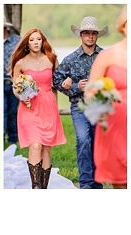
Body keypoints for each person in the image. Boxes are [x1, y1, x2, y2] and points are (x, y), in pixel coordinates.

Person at [52, 16, 108, 189]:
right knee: (83, 140)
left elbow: (115, 77)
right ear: (81, 35)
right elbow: (56, 80)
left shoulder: (105, 56)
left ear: (97, 36)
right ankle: (85, 183)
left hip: (100, 106)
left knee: (98, 144)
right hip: (79, 106)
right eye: (86, 33)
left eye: (93, 33)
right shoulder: (71, 58)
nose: (90, 36)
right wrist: (76, 87)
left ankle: (97, 184)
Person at [10, 27, 67, 189]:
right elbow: (16, 87)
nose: (36, 42)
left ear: (43, 41)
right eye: (32, 40)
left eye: (38, 39)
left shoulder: (51, 59)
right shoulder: (20, 63)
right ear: (27, 43)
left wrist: (67, 81)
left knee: (46, 150)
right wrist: (22, 95)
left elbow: (60, 78)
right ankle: (35, 187)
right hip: (29, 107)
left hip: (48, 106)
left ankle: (43, 188)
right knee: (35, 145)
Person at [87, 5, 127, 189]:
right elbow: (91, 91)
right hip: (117, 125)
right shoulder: (107, 56)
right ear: (124, 26)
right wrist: (99, 110)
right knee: (121, 181)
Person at [3, 20, 21, 147]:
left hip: (14, 80)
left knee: (12, 112)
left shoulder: (17, 41)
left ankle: (13, 139)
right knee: (3, 110)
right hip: (0, 82)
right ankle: (3, 137)